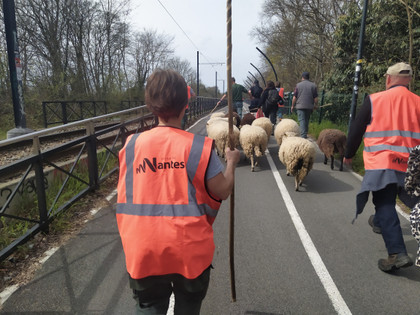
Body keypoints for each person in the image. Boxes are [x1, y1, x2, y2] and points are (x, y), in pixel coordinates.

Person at [116, 69, 240, 314]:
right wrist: (232, 162)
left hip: (143, 250)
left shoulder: (130, 146)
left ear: (151, 105)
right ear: (186, 105)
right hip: (189, 251)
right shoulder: (197, 147)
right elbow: (223, 190)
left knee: (149, 308)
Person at [344, 62, 420, 272]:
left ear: (388, 79)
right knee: (415, 202)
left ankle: (397, 253)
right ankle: (378, 222)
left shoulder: (375, 99)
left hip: (383, 162)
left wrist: (348, 154)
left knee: (385, 202)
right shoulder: (418, 102)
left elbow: (357, 128)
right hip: (412, 165)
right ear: (409, 80)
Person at [291, 72, 318, 138]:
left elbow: (294, 97)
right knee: (306, 120)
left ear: (302, 77)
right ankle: (305, 134)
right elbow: (316, 98)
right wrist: (315, 105)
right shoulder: (313, 85)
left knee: (302, 120)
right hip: (309, 106)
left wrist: (292, 105)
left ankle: (303, 136)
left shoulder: (298, 85)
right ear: (308, 77)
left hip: (300, 106)